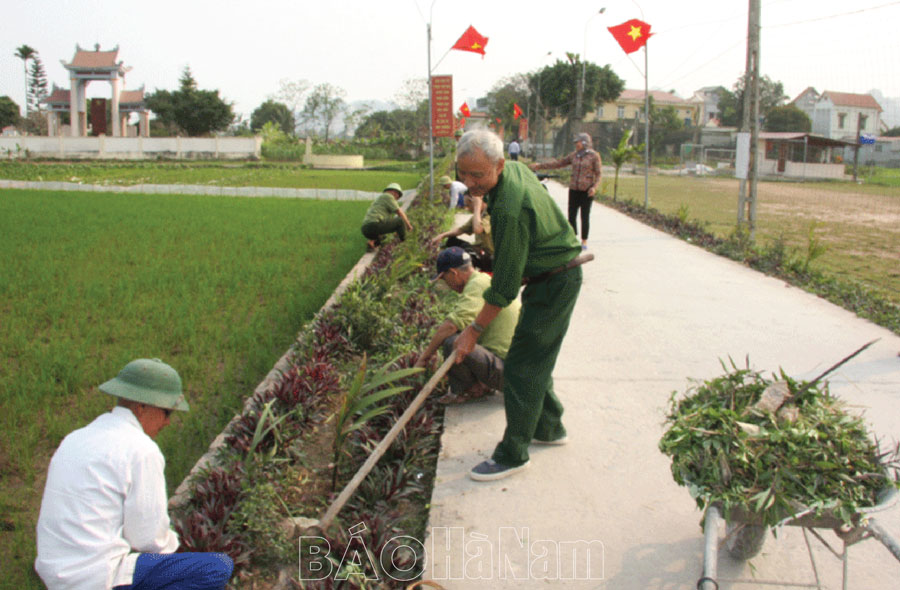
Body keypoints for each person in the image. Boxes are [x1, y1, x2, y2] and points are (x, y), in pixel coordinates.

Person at [454, 128, 587, 482]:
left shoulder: (509, 208)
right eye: (463, 173)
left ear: (498, 165)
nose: (470, 182)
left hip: (555, 284)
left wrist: (473, 331)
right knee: (533, 358)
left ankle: (513, 453)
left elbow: (504, 288)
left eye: (478, 175)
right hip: (548, 278)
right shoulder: (514, 169)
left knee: (520, 368)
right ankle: (549, 427)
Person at [35, 358, 234, 590]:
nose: (167, 422)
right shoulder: (141, 450)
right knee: (217, 567)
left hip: (55, 575)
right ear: (142, 408)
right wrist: (178, 549)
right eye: (167, 412)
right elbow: (148, 539)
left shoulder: (75, 438)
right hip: (97, 576)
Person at [415, 247, 520, 404]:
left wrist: (424, 358)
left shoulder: (476, 285)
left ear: (454, 273)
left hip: (510, 374)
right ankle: (481, 385)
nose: (447, 285)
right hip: (517, 369)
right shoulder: (483, 280)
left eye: (445, 279)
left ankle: (469, 390)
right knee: (464, 334)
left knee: (452, 341)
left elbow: (451, 326)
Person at [530, 132, 602, 250]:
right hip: (574, 189)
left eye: (578, 142)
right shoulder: (574, 155)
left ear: (584, 142)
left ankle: (584, 240)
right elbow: (559, 163)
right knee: (571, 215)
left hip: (587, 190)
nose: (576, 144)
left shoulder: (594, 156)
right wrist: (540, 166)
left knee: (584, 216)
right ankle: (572, 238)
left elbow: (598, 174)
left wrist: (594, 187)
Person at [430, 193, 494, 272]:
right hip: (480, 250)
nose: (466, 208)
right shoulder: (478, 216)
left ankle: (467, 274)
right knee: (452, 241)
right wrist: (442, 235)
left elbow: (478, 229)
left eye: (468, 205)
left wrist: (477, 206)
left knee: (465, 255)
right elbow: (460, 230)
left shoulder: (490, 214)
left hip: (491, 256)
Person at [361, 182, 413, 249]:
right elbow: (400, 212)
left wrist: (397, 230)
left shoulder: (380, 199)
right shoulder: (388, 196)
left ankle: (372, 243)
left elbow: (387, 222)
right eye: (397, 196)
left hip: (366, 229)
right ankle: (406, 244)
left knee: (384, 238)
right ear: (395, 192)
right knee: (400, 221)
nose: (396, 199)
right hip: (374, 225)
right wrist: (409, 226)